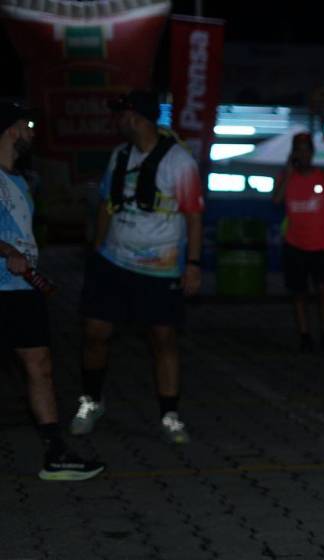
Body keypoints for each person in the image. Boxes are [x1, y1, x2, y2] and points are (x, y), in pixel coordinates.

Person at [71, 90, 203, 445]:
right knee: (95, 331)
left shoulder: (180, 162)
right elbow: (105, 206)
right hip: (113, 261)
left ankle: (170, 415)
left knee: (163, 338)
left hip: (159, 268)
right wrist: (97, 251)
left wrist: (192, 264)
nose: (116, 121)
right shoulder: (119, 155)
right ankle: (91, 401)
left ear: (136, 118)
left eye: (120, 114)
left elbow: (193, 218)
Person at [0, 102, 105, 481]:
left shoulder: (21, 180)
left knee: (40, 367)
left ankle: (56, 453)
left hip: (23, 289)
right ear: (10, 130)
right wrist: (8, 250)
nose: (31, 132)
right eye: (26, 125)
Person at [272, 132, 324, 355]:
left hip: (321, 245)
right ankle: (304, 334)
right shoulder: (286, 177)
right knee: (299, 292)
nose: (303, 154)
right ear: (293, 153)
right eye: (298, 150)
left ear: (312, 153)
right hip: (294, 244)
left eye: (306, 149)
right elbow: (276, 200)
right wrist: (288, 172)